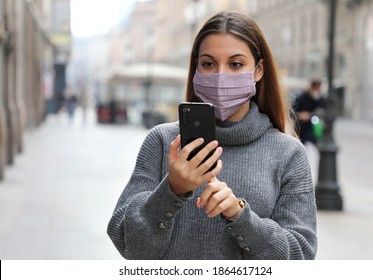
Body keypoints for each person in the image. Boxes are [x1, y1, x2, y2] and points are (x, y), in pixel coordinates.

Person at [107, 11, 317, 260]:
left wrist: (240, 216)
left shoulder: (288, 154)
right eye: (208, 64)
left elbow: (300, 256)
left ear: (259, 70)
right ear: (195, 69)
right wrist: (172, 190)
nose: (220, 76)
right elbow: (127, 244)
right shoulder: (162, 141)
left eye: (236, 64)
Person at [293, 80, 325, 145]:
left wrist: (310, 115)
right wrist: (300, 115)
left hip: (313, 128)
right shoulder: (301, 97)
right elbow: (293, 111)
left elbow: (321, 111)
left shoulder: (320, 99)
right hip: (301, 128)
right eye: (317, 88)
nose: (318, 90)